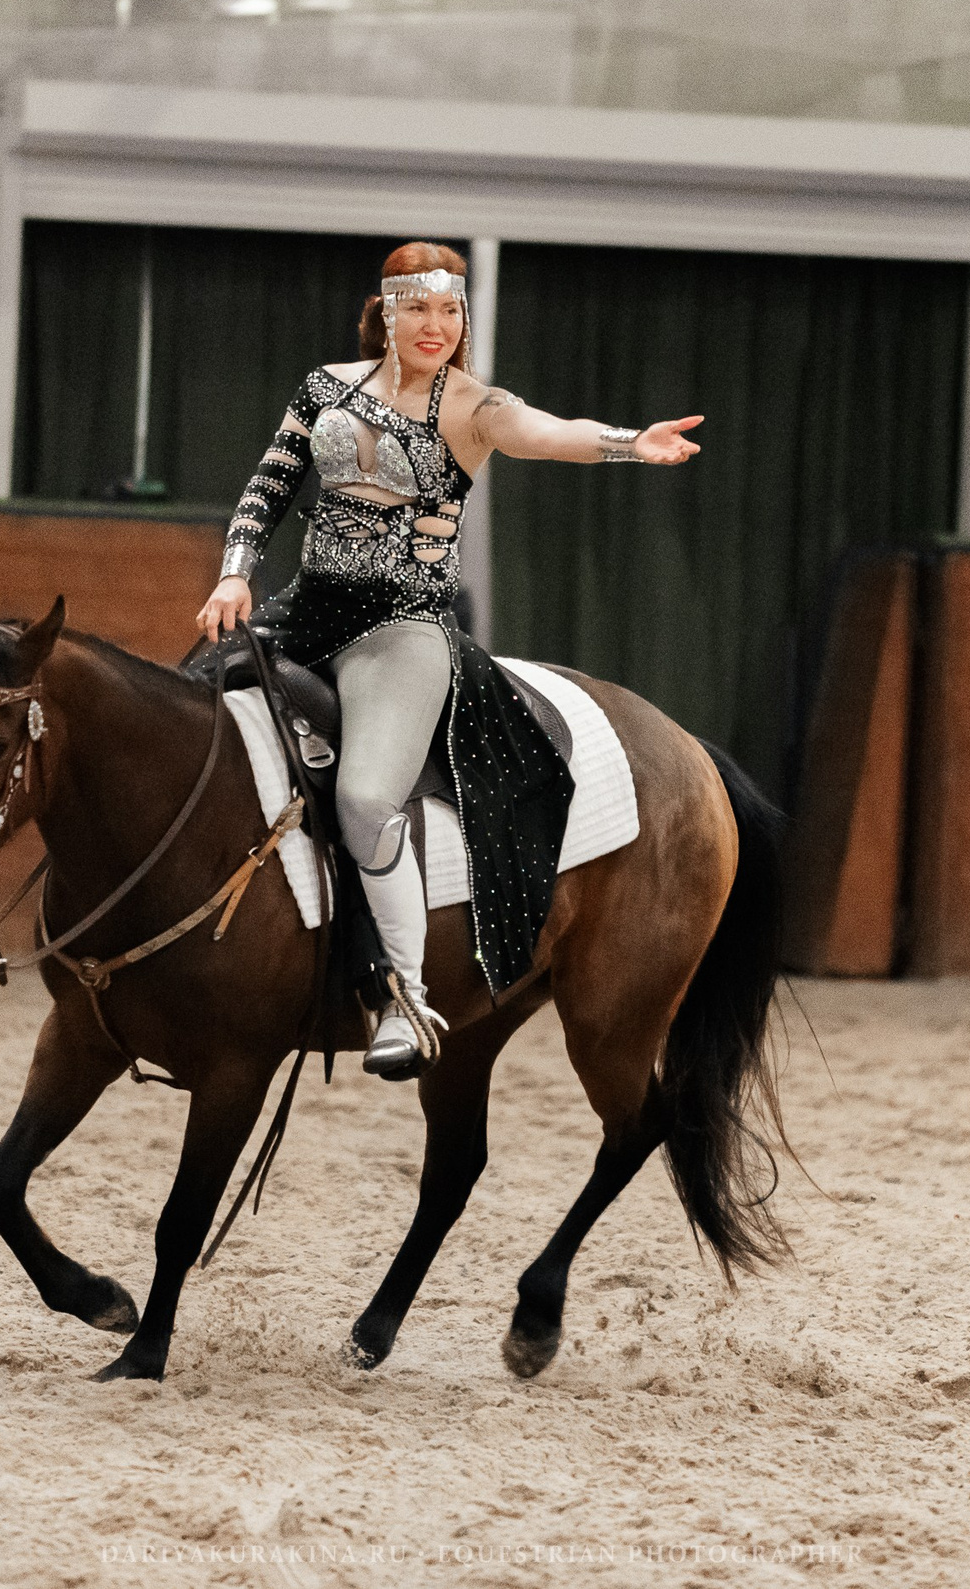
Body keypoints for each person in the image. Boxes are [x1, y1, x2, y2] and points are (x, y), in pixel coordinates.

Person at [197, 241, 701, 1080]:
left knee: (363, 798)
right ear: (386, 312)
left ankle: (404, 994)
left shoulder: (474, 405)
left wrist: (624, 443)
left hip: (397, 631)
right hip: (301, 612)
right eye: (420, 309)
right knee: (189, 716)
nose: (437, 325)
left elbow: (547, 434)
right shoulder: (324, 386)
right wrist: (233, 573)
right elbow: (267, 489)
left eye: (451, 310)